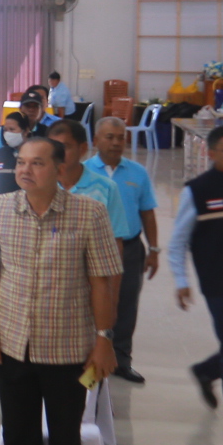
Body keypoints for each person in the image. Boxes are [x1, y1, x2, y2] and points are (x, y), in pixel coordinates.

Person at [0, 135, 120, 445]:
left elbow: (102, 281)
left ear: (60, 169)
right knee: (18, 433)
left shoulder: (89, 212)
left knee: (64, 438)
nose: (25, 170)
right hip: (12, 346)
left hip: (69, 349)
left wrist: (103, 340)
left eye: (37, 163)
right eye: (21, 162)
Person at [177, 125, 223, 439]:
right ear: (211, 154)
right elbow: (179, 241)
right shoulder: (198, 190)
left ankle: (206, 371)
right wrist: (180, 280)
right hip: (219, 284)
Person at [87, 116, 160, 382]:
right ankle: (88, 356)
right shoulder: (84, 171)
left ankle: (120, 361)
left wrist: (153, 249)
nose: (117, 143)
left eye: (121, 138)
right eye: (110, 137)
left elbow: (148, 213)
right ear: (95, 140)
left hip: (129, 248)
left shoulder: (137, 173)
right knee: (90, 302)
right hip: (91, 248)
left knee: (126, 304)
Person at [49, 119, 125, 245]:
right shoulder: (38, 186)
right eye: (53, 147)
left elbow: (115, 240)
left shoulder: (106, 188)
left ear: (82, 149)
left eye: (65, 147)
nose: (58, 154)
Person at [0, 109, 30, 198]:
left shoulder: (34, 155)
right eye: (6, 130)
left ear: (25, 132)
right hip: (0, 207)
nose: (8, 133)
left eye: (12, 129)